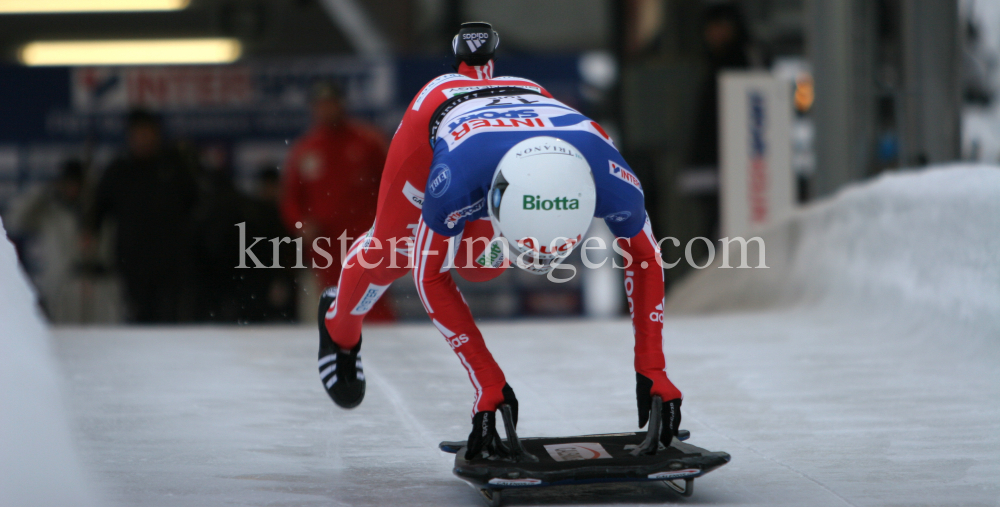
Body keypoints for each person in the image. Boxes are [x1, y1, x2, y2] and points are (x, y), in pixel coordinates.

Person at [315, 22, 683, 458]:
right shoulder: (457, 180)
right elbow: (428, 278)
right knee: (393, 252)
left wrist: (653, 369)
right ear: (497, 204)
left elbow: (644, 257)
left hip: (499, 134)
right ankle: (339, 327)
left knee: (481, 265)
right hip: (432, 131)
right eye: (523, 248)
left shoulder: (607, 169)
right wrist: (488, 382)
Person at [280, 82, 392, 321]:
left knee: (373, 299)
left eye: (331, 103)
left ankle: (386, 351)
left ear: (342, 105)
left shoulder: (368, 142)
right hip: (326, 244)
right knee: (336, 302)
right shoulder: (305, 149)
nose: (326, 110)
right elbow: (292, 202)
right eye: (321, 105)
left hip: (365, 240)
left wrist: (387, 227)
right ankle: (343, 351)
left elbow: (391, 186)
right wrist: (302, 226)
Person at [84, 109, 198, 323]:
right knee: (139, 321)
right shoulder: (119, 170)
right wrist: (90, 232)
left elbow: (196, 204)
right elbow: (98, 209)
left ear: (157, 134)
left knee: (170, 320)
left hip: (172, 262)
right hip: (132, 262)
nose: (143, 140)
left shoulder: (174, 166)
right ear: (130, 137)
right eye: (138, 134)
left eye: (148, 133)